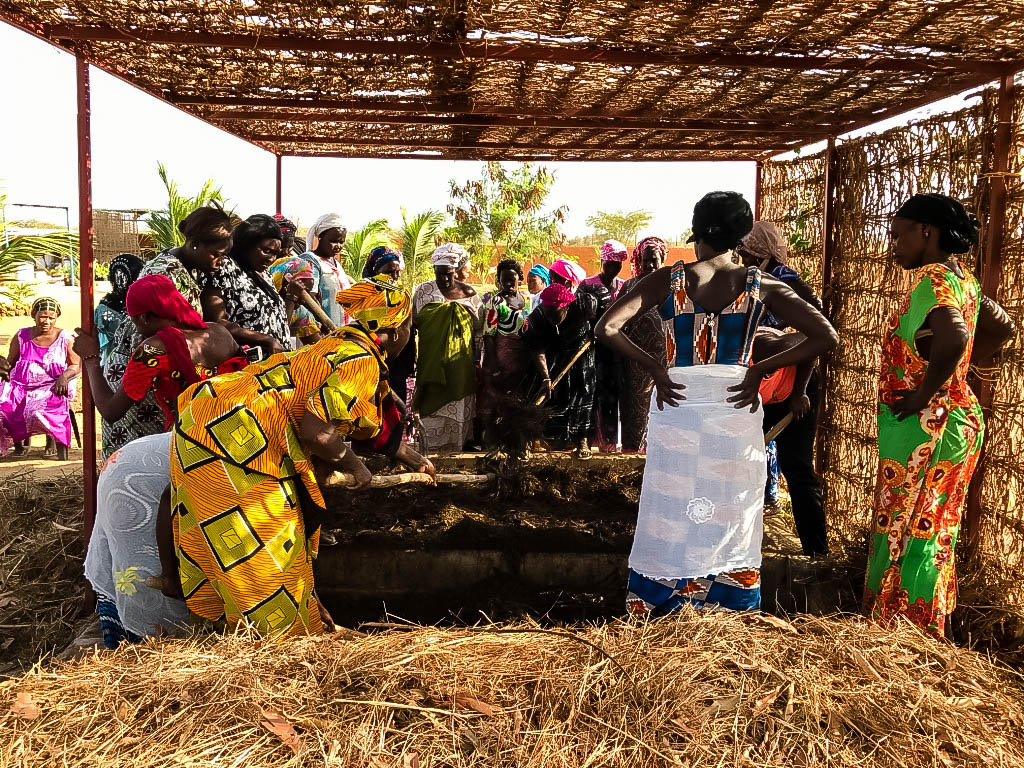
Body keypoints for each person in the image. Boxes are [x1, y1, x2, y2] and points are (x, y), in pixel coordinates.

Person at [597, 191, 836, 614]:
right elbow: (825, 336)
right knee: (732, 502)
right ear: (742, 236)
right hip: (734, 404)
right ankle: (728, 601)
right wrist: (762, 369)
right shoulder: (761, 285)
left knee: (671, 499)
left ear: (695, 231)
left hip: (679, 404)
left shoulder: (668, 281)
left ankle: (663, 599)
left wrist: (656, 367)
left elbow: (608, 327)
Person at [168, 279, 433, 638]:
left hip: (202, 419)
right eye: (407, 328)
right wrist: (356, 467)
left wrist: (410, 458)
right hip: (237, 439)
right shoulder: (360, 361)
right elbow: (318, 433)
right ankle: (280, 644)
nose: (409, 336)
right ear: (391, 331)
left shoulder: (337, 345)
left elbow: (357, 418)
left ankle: (229, 632)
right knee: (264, 546)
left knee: (224, 536)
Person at [864, 193, 1014, 638]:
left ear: (925, 232)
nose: (892, 244)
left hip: (929, 426)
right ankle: (925, 629)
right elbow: (1002, 327)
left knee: (907, 530)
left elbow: (953, 336)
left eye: (897, 234)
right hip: (957, 422)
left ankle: (899, 632)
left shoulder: (932, 277)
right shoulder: (961, 278)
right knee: (933, 529)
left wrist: (924, 394)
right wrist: (959, 374)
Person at [101, 205, 233, 458]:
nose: (221, 262)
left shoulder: (192, 269)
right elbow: (114, 408)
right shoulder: (162, 275)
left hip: (159, 374)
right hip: (142, 375)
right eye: (217, 254)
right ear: (194, 245)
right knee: (139, 455)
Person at [75, 274, 248, 431]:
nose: (138, 330)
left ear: (143, 317)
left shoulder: (153, 349)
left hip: (190, 443)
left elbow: (111, 411)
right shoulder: (219, 331)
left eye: (134, 321)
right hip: (235, 432)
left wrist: (91, 359)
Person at [752, 327, 828, 557]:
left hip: (795, 392)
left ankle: (817, 555)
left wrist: (799, 392)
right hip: (760, 401)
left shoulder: (764, 347)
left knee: (798, 467)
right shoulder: (720, 375)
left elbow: (811, 340)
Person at [412, 244, 482, 452]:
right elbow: (414, 323)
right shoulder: (423, 291)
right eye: (439, 274)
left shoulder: (468, 292)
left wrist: (479, 359)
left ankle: (457, 449)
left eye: (449, 274)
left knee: (458, 408)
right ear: (434, 271)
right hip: (430, 362)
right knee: (431, 408)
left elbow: (479, 328)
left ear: (456, 270)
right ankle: (429, 450)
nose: (444, 279)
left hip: (459, 364)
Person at [524, 283, 599, 459]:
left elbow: (602, 312)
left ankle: (582, 440)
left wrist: (598, 328)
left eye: (555, 313)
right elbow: (537, 350)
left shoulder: (583, 306)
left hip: (582, 354)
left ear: (566, 306)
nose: (550, 317)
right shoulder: (539, 316)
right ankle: (530, 440)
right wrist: (546, 378)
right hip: (553, 356)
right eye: (547, 311)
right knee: (545, 396)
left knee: (583, 394)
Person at [0, 297, 80, 459]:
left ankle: (51, 440)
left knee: (36, 410)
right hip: (20, 386)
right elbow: (10, 362)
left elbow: (75, 365)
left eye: (51, 317)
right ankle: (18, 445)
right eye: (43, 316)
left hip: (51, 387)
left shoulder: (65, 338)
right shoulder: (22, 336)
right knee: (3, 407)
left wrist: (64, 377)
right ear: (34, 315)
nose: (47, 321)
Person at [203, 214, 292, 352]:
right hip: (246, 364)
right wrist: (265, 339)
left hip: (277, 363)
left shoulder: (265, 274)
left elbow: (278, 322)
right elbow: (216, 322)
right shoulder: (225, 267)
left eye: (275, 253)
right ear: (247, 244)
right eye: (266, 251)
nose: (271, 259)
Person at [617, 237, 669, 452]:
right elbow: (615, 322)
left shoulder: (674, 287)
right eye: (645, 260)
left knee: (666, 405)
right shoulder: (630, 286)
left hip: (668, 359)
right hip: (636, 360)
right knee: (636, 408)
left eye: (654, 260)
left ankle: (662, 452)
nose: (650, 265)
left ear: (663, 259)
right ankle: (634, 454)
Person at [582, 240, 629, 451]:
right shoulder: (587, 285)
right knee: (590, 392)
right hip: (592, 348)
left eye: (617, 264)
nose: (612, 268)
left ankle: (609, 442)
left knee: (613, 395)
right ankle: (589, 439)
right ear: (602, 261)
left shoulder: (624, 286)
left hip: (617, 350)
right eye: (609, 263)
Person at [479, 258, 530, 443]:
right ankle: (494, 441)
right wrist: (493, 363)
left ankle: (517, 440)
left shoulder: (527, 300)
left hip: (521, 357)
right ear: (498, 280)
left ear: (520, 279)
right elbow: (488, 334)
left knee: (519, 398)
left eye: (512, 279)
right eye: (504, 279)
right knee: (497, 399)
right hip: (501, 355)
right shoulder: (495, 302)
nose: (508, 283)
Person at [739, 221, 823, 326]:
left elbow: (815, 304)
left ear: (759, 254)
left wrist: (779, 324)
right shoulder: (758, 276)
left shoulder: (782, 275)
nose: (743, 262)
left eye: (745, 256)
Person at [301, 213, 354, 328]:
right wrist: (324, 324)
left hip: (341, 330)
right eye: (333, 241)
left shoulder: (335, 263)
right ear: (320, 237)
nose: (338, 246)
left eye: (341, 242)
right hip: (322, 331)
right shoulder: (311, 261)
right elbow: (310, 298)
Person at [95, 254, 144, 368]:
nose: (121, 280)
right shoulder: (105, 308)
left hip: (130, 363)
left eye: (125, 275)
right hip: (117, 366)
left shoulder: (146, 302)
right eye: (117, 275)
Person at [268, 256, 323, 347]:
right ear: (286, 286)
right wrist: (291, 298)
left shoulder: (298, 311)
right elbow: (278, 334)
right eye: (303, 293)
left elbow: (318, 347)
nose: (304, 301)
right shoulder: (264, 302)